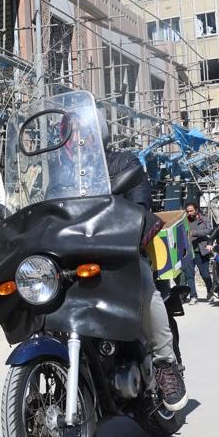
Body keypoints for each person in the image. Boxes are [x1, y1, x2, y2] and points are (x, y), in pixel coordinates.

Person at [93, 120, 188, 412]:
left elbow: (140, 203)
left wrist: (135, 221)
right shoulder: (62, 174)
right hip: (77, 254)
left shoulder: (124, 162)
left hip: (120, 251)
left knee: (145, 287)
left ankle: (164, 363)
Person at [184, 202, 215, 304]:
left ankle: (210, 291)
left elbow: (209, 230)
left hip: (200, 251)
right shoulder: (184, 221)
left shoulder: (204, 219)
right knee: (189, 275)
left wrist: (194, 233)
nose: (189, 213)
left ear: (196, 210)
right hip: (188, 251)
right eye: (187, 211)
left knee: (205, 274)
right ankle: (193, 296)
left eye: (191, 211)